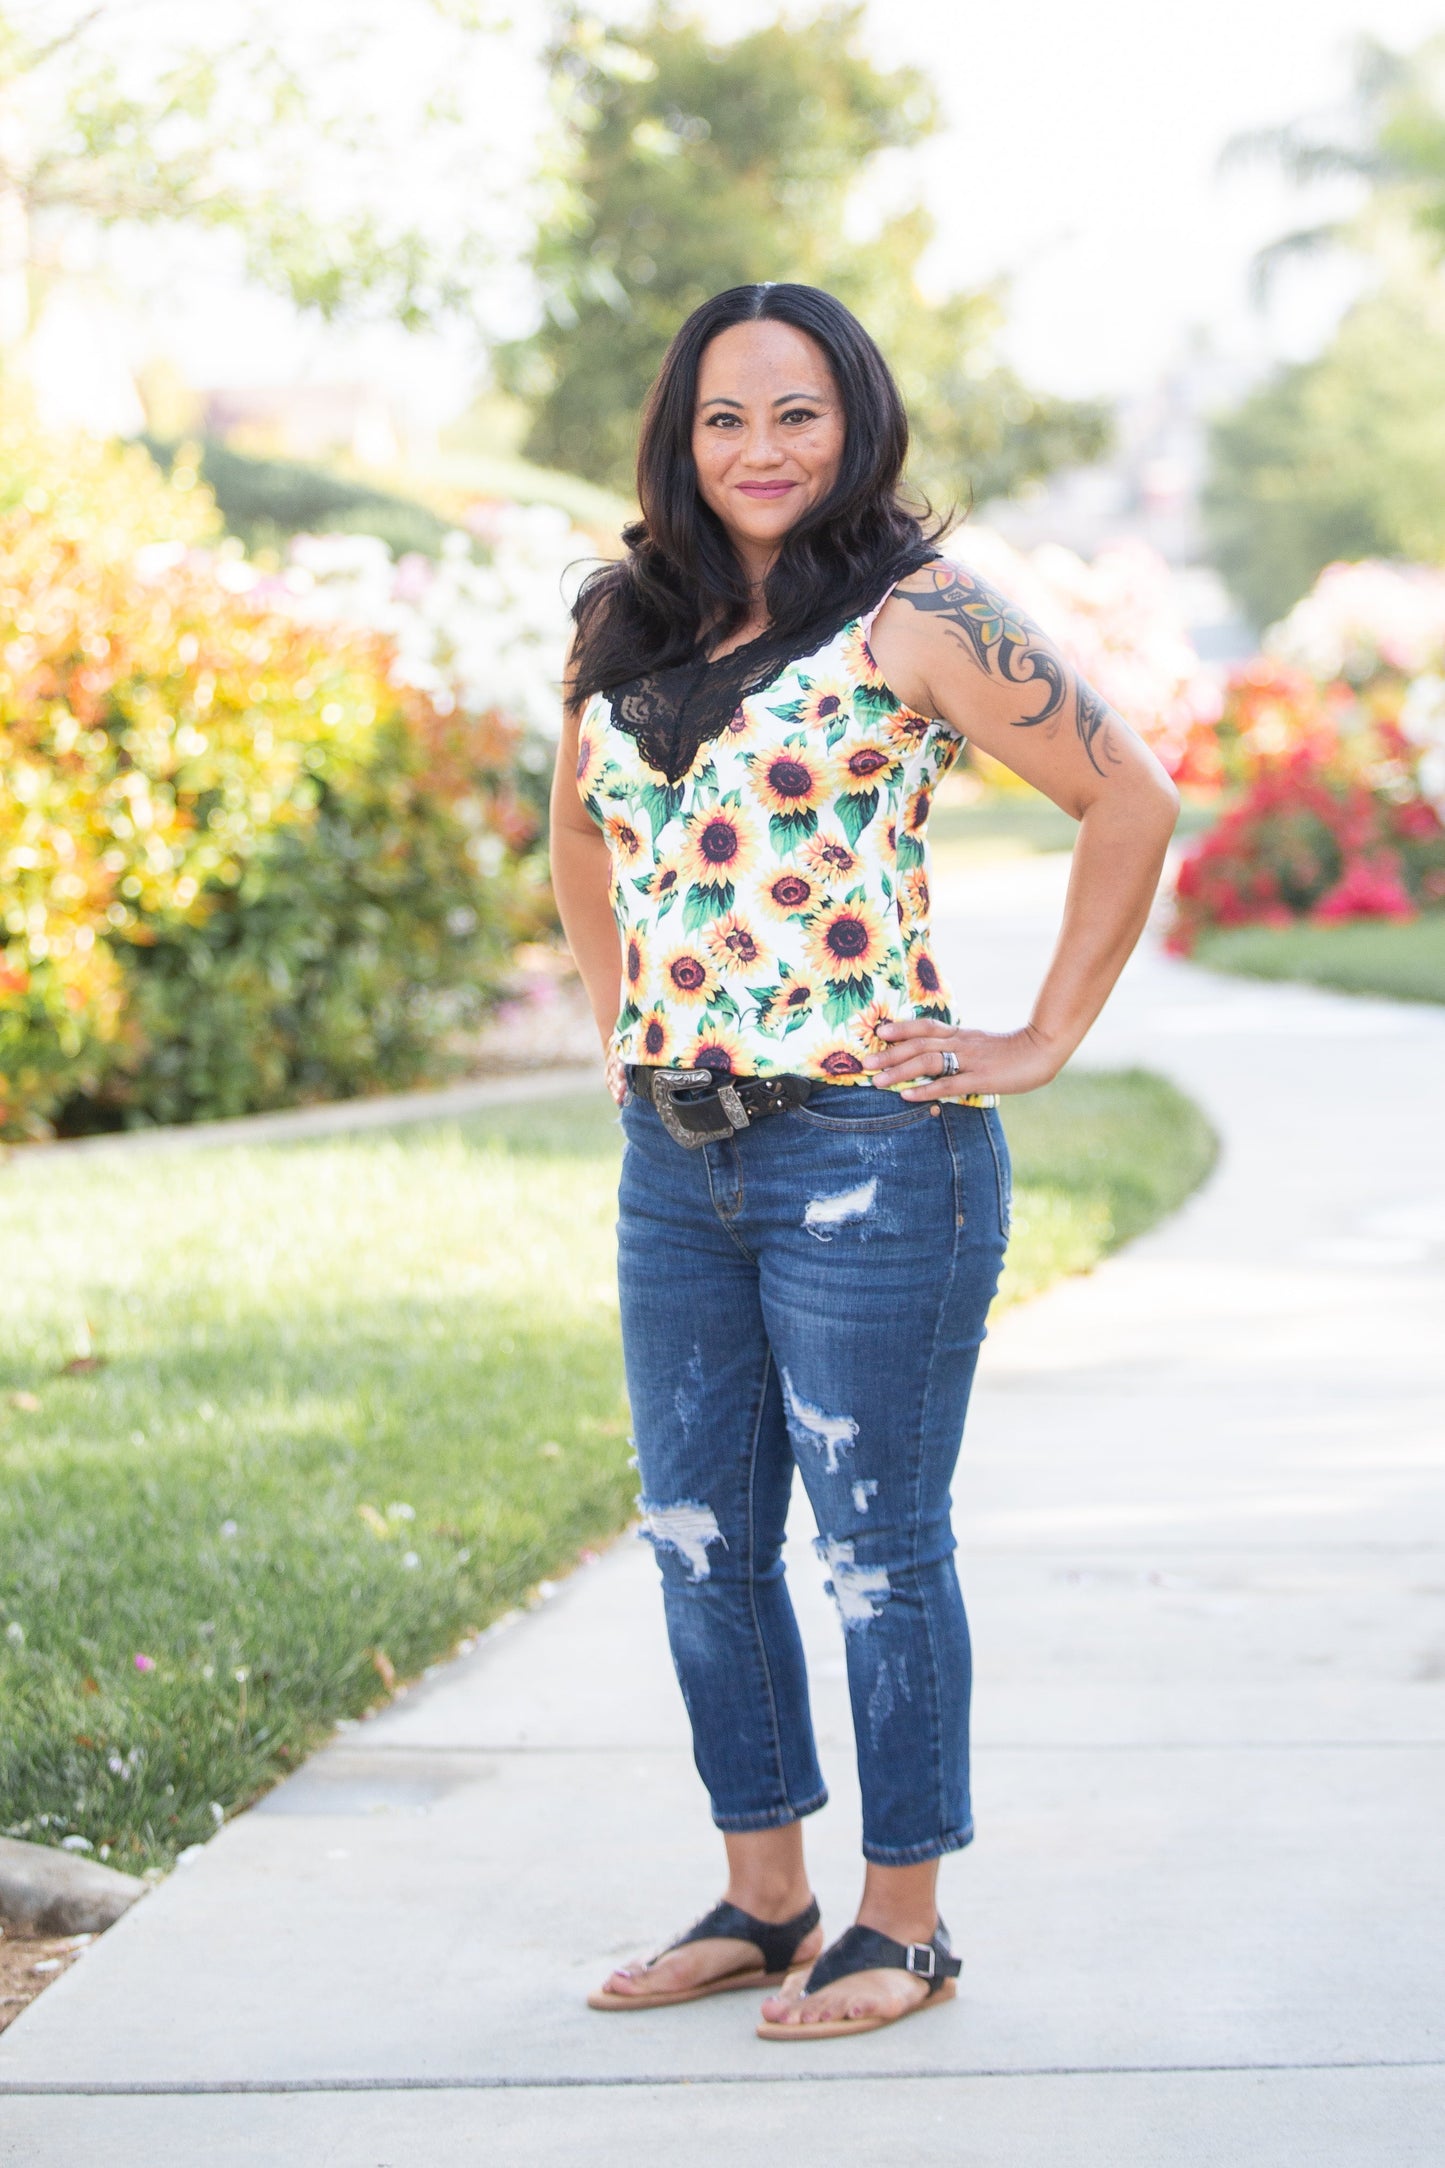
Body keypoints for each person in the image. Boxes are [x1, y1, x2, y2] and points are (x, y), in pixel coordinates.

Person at [549, 282, 1177, 2040]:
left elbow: (1130, 798)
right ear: (682, 437)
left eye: (797, 414)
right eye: (724, 418)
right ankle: (762, 1901)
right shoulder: (622, 620)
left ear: (857, 426)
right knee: (695, 1538)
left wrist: (1036, 1039)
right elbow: (582, 845)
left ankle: (899, 1922)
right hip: (673, 1161)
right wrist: (623, 1027)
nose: (759, 450)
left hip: (867, 1157)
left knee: (875, 1550)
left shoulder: (918, 615)